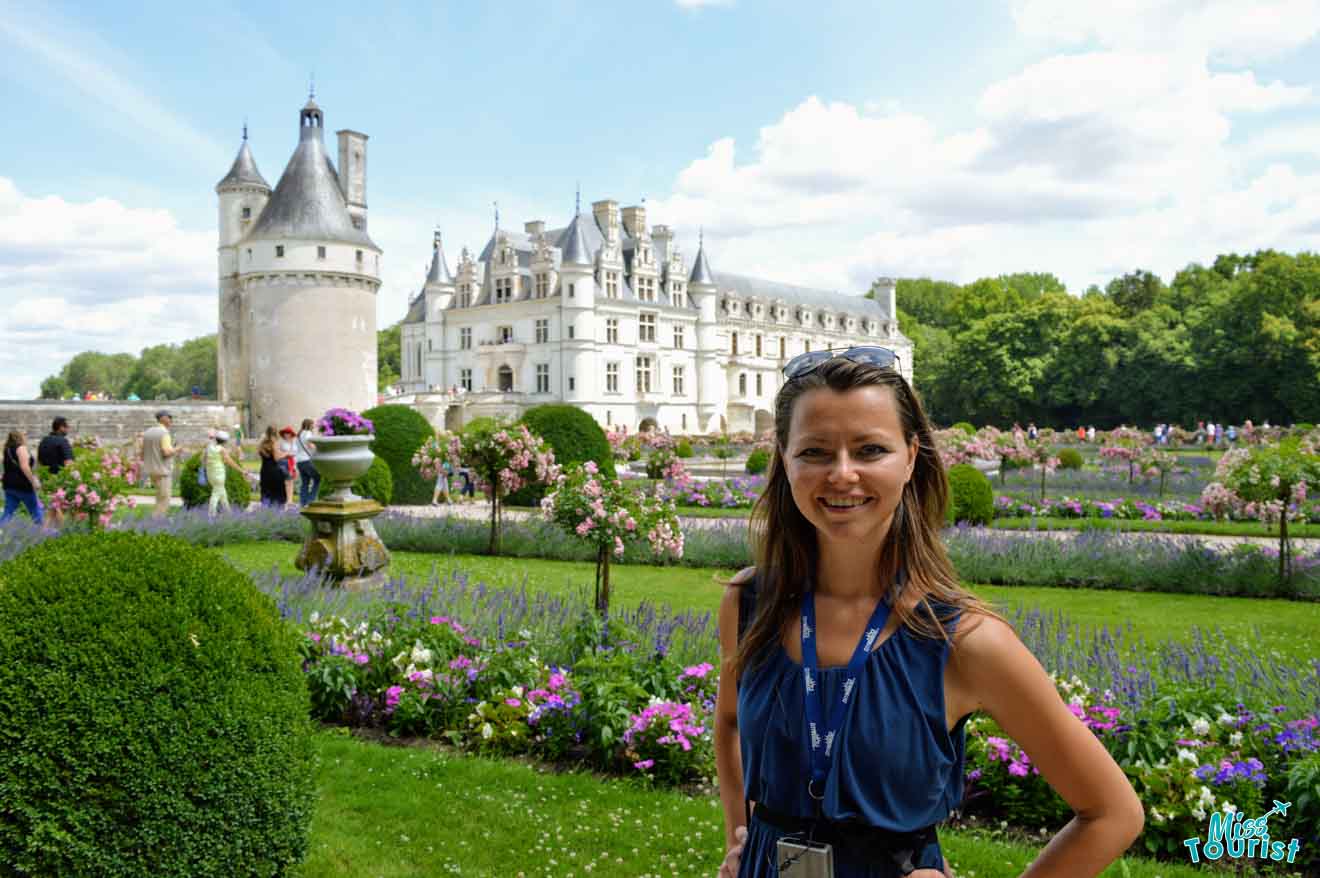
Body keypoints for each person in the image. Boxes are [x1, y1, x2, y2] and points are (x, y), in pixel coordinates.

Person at [714, 347, 1143, 878]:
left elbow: (1113, 813)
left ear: (911, 456)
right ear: (784, 458)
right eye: (815, 452)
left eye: (870, 449)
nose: (842, 474)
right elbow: (729, 724)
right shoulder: (747, 604)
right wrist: (742, 835)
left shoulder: (965, 641)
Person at [140, 411, 182, 519]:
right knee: (165, 499)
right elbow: (166, 452)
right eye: (169, 417)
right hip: (162, 471)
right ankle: (157, 521)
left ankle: (155, 519)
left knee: (159, 497)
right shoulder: (164, 433)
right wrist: (177, 448)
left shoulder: (148, 432)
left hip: (150, 469)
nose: (171, 420)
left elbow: (142, 453)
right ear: (163, 418)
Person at [37, 416, 75, 527]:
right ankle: (65, 531)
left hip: (46, 479)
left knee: (53, 508)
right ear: (60, 427)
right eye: (67, 427)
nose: (68, 429)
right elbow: (68, 462)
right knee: (61, 507)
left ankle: (47, 531)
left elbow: (39, 461)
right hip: (60, 479)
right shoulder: (62, 441)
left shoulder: (44, 440)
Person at [1, 431, 43, 526]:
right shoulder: (21, 448)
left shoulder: (7, 449)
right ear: (20, 437)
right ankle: (42, 532)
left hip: (9, 485)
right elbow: (25, 467)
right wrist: (33, 481)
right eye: (25, 435)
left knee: (8, 511)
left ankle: (1, 530)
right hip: (22, 485)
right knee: (35, 509)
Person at [203, 431, 240, 516]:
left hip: (210, 474)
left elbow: (204, 459)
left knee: (223, 493)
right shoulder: (221, 449)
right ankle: (211, 515)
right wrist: (241, 470)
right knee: (215, 494)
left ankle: (228, 513)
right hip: (219, 474)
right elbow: (230, 462)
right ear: (225, 442)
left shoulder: (209, 447)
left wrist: (205, 469)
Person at [257, 426, 289, 507]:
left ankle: (265, 512)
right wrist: (286, 454)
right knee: (277, 494)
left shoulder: (262, 444)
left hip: (264, 470)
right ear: (276, 433)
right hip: (274, 470)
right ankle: (277, 512)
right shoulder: (274, 443)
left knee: (266, 491)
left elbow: (263, 455)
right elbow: (276, 458)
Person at [295, 419, 320, 506]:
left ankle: (303, 502)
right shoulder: (308, 433)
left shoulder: (298, 435)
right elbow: (310, 445)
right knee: (318, 478)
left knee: (305, 482)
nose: (314, 426)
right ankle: (310, 500)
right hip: (307, 460)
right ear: (309, 425)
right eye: (313, 425)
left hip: (299, 461)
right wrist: (318, 447)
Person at [278, 426, 298, 506]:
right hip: (285, 462)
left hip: (293, 462)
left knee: (291, 481)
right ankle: (286, 499)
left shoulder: (294, 442)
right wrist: (288, 453)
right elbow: (282, 454)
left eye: (288, 433)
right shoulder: (282, 443)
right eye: (285, 433)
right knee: (286, 481)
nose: (287, 434)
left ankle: (290, 500)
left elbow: (295, 453)